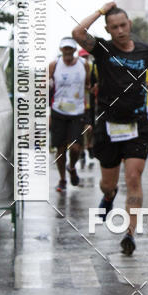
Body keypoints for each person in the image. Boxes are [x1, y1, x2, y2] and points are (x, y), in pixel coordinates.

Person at [72, 2, 148, 255]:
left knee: (134, 177)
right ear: (108, 29)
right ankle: (109, 196)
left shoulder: (146, 51)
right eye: (114, 27)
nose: (121, 31)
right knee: (107, 184)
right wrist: (100, 10)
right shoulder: (103, 49)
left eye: (124, 25)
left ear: (130, 25)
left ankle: (130, 233)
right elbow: (78, 33)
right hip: (108, 127)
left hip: (138, 125)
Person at [49, 37, 90, 192]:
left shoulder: (83, 65)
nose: (67, 51)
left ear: (74, 50)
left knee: (75, 148)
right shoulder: (54, 65)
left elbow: (88, 85)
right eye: (64, 48)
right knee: (60, 149)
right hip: (58, 110)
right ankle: (62, 180)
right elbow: (44, 84)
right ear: (61, 50)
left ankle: (71, 167)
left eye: (70, 49)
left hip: (77, 111)